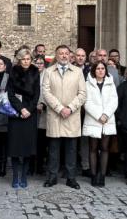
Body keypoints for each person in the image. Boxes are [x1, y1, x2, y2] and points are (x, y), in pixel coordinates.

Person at [43, 45, 86, 189]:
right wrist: (60, 108)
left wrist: (70, 108)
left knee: (71, 149)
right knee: (54, 149)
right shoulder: (48, 72)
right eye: (61, 53)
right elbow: (46, 92)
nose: (64, 56)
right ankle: (52, 177)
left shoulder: (78, 72)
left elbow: (82, 94)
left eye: (66, 53)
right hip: (55, 115)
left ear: (70, 55)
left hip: (71, 116)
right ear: (56, 55)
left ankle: (71, 178)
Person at [7, 49, 40, 188]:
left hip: (30, 114)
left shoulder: (35, 72)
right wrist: (21, 109)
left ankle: (24, 176)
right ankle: (15, 176)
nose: (26, 61)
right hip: (16, 112)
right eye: (23, 59)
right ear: (19, 60)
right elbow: (11, 94)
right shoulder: (13, 72)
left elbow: (37, 93)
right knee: (15, 147)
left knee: (27, 147)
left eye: (28, 59)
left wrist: (29, 110)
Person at [82, 61, 118, 187]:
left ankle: (101, 175)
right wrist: (98, 115)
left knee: (104, 148)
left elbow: (114, 101)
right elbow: (86, 102)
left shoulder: (110, 83)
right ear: (94, 70)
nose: (101, 71)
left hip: (107, 120)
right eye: (98, 68)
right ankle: (93, 175)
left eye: (103, 68)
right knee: (92, 148)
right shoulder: (87, 84)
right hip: (93, 120)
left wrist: (106, 115)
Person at [74, 48, 91, 176]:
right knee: (71, 140)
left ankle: (85, 166)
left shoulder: (90, 71)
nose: (80, 58)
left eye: (83, 56)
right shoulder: (69, 70)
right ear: (74, 57)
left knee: (85, 140)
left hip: (86, 110)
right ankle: (70, 166)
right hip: (72, 109)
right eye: (78, 55)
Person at [34, 55, 48, 175]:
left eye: (41, 63)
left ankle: (40, 166)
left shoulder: (47, 75)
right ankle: (31, 165)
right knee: (32, 139)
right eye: (37, 63)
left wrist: (43, 103)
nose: (39, 65)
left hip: (44, 111)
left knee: (41, 140)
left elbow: (48, 91)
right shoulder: (30, 74)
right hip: (32, 110)